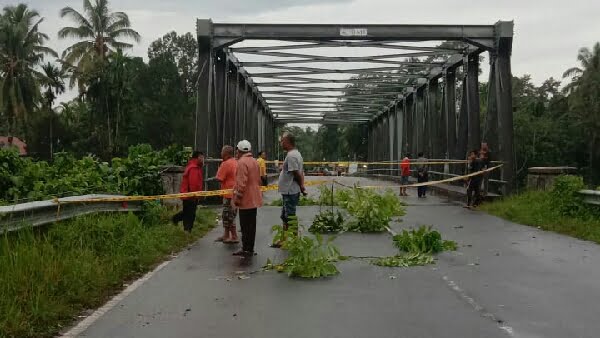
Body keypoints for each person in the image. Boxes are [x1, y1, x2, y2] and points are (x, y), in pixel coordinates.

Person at [272, 132, 306, 248]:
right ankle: (284, 239)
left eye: (282, 141)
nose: (281, 143)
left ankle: (295, 241)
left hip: (290, 190)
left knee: (290, 216)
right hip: (289, 190)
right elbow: (299, 172)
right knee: (285, 216)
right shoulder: (295, 154)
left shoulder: (291, 156)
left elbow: (296, 172)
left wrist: (301, 186)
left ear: (287, 142)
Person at [232, 140, 263, 257]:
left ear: (238, 150)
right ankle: (250, 248)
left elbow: (241, 183)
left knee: (245, 225)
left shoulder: (241, 162)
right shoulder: (254, 161)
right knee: (251, 225)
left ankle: (245, 248)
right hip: (255, 197)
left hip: (246, 199)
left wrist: (237, 198)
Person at [172, 151, 204, 233]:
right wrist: (196, 195)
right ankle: (187, 230)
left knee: (187, 212)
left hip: (189, 195)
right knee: (190, 214)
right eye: (202, 157)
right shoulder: (194, 168)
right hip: (190, 195)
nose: (203, 159)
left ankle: (175, 219)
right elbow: (193, 184)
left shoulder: (194, 166)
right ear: (197, 157)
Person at [215, 145, 238, 244]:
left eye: (222, 151)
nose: (220, 153)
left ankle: (234, 236)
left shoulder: (226, 164)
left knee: (228, 215)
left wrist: (219, 168)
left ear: (226, 154)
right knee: (230, 214)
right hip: (235, 193)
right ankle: (226, 235)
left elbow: (219, 178)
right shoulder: (236, 162)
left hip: (228, 195)